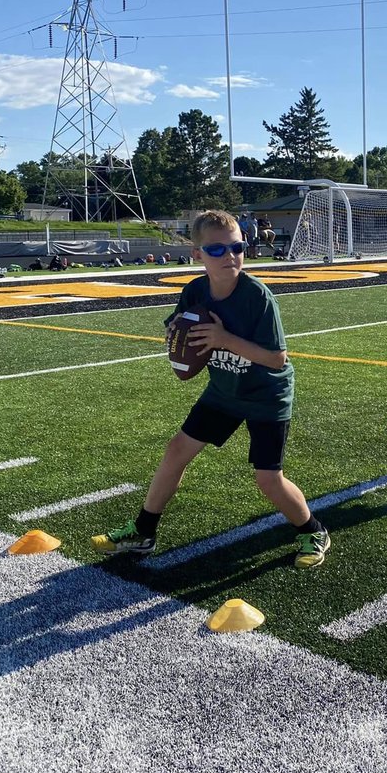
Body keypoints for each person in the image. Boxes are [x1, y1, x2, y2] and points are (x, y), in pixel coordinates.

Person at [91, 209, 330, 569]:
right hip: (224, 390)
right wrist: (174, 332)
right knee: (176, 451)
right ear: (197, 254)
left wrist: (223, 339)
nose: (229, 256)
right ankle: (143, 531)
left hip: (266, 394)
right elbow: (177, 327)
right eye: (217, 250)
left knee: (268, 478)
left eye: (237, 247)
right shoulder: (196, 291)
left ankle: (313, 530)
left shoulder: (257, 297)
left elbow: (277, 358)